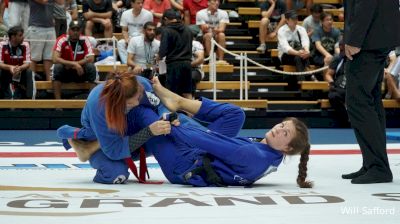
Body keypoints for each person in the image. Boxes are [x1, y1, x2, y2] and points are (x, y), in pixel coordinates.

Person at [62, 75, 313, 188]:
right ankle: (177, 102)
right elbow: (211, 141)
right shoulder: (100, 105)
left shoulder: (255, 155)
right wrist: (164, 122)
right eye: (282, 124)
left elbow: (205, 139)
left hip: (186, 162)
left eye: (284, 132)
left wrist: (167, 123)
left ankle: (89, 147)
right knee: (237, 114)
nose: (278, 127)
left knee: (144, 119)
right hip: (197, 150)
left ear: (288, 148)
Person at [342, 0, 400, 184]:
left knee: (358, 101)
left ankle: (378, 166)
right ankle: (373, 163)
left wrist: (354, 38)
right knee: (371, 101)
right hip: (377, 36)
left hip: (369, 38)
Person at [52, 20, 97, 99]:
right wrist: (74, 64)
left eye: (77, 30)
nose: (75, 32)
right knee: (57, 67)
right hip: (66, 71)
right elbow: (55, 59)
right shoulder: (62, 39)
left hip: (80, 72)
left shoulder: (85, 40)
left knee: (91, 67)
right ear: (69, 30)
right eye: (73, 30)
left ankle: (90, 101)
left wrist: (77, 64)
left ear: (81, 31)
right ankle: (58, 103)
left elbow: (91, 58)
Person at [159, 8, 193, 99]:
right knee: (187, 92)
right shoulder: (188, 29)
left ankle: (172, 113)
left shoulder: (166, 30)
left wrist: (157, 58)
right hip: (187, 64)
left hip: (174, 64)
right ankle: (191, 113)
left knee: (171, 93)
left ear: (165, 19)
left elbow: (163, 51)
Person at [0, 25, 33, 99]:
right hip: (6, 72)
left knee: (29, 71)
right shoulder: (2, 45)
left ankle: (29, 99)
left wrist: (20, 68)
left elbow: (27, 63)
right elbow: (0, 63)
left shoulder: (25, 44)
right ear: (13, 37)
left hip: (20, 71)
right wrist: (10, 67)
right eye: (20, 35)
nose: (23, 37)